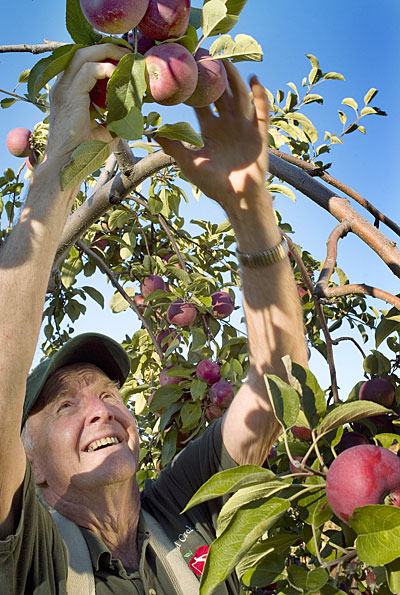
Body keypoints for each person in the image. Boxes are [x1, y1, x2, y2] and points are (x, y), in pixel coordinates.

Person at [0, 44, 308, 594]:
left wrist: (251, 208)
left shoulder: (184, 516)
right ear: (30, 462)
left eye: (111, 395)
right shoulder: (30, 560)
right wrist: (61, 166)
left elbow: (283, 383)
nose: (101, 411)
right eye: (66, 405)